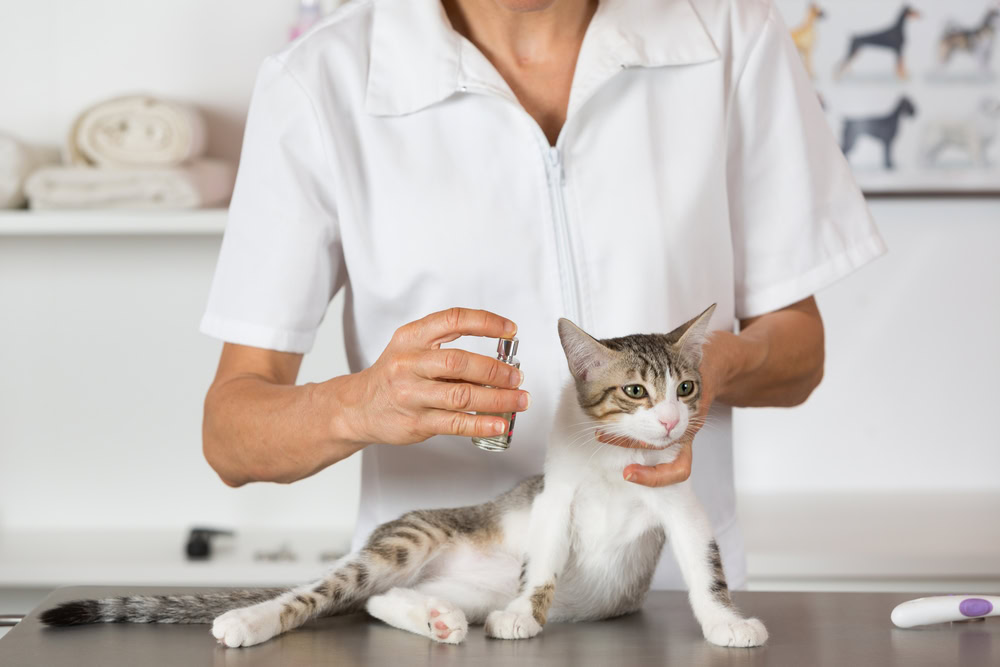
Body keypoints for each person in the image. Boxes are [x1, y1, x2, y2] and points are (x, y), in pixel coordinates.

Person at [200, 0, 885, 591]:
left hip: (670, 600)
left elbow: (800, 353)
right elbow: (231, 435)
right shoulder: (321, 80)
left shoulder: (729, 32)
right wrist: (361, 403)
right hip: (438, 599)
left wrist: (712, 369)